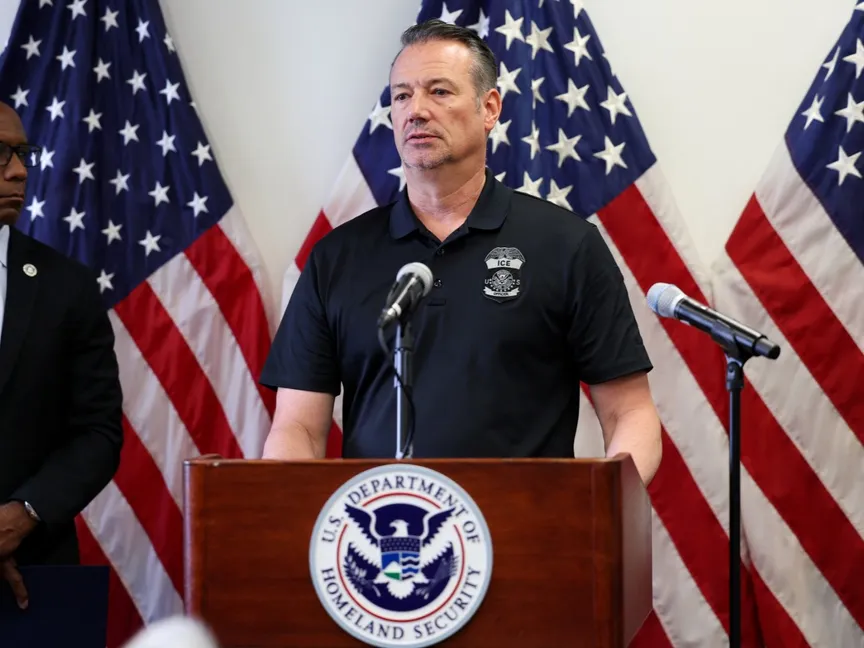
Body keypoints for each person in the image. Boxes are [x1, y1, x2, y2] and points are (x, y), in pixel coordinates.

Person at [259, 20, 662, 483]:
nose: (416, 111)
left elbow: (630, 413)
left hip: (527, 524)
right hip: (388, 525)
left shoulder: (567, 245)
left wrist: (600, 508)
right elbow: (297, 427)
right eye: (402, 96)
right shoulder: (337, 258)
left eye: (439, 92)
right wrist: (290, 507)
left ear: (489, 109)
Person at [0, 101, 123, 609]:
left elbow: (97, 431)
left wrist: (22, 514)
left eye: (23, 153)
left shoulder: (66, 286)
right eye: (1, 154)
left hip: (30, 576)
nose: (20, 171)